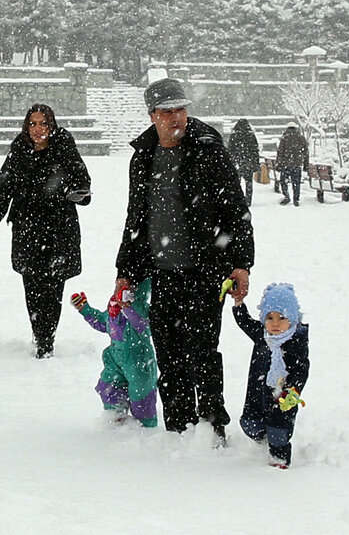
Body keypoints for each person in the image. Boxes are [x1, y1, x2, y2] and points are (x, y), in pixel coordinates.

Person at [115, 78, 254, 439]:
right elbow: (136, 219)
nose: (175, 118)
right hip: (163, 274)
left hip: (206, 273)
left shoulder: (209, 149)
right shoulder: (143, 156)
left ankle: (211, 427)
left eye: (180, 109)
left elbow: (235, 211)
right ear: (152, 116)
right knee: (170, 355)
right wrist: (125, 272)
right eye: (166, 112)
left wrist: (241, 263)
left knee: (204, 353)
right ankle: (178, 426)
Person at [0, 103, 92, 358]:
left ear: (51, 125)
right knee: (32, 284)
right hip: (26, 228)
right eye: (33, 124)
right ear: (26, 126)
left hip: (59, 229)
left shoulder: (64, 147)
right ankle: (38, 331)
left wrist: (77, 194)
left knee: (54, 286)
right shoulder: (19, 150)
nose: (38, 129)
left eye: (43, 123)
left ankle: (47, 339)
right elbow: (3, 189)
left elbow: (83, 181)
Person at [231, 282, 310, 468]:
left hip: (283, 397)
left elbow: (301, 369)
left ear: (291, 318)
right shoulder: (262, 335)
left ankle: (279, 457)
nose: (275, 323)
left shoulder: (296, 341)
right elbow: (244, 322)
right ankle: (263, 439)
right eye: (270, 317)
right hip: (257, 392)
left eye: (281, 317)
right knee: (249, 422)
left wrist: (293, 390)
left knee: (279, 428)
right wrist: (238, 302)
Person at [69, 277, 158, 428]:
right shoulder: (113, 310)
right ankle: (115, 417)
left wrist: (128, 304)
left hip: (138, 358)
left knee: (141, 394)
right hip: (115, 357)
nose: (119, 289)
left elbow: (140, 320)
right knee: (109, 385)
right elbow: (102, 322)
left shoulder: (140, 311)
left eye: (126, 288)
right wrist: (85, 309)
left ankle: (145, 427)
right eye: (117, 287)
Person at [227, 118, 261, 206]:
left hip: (237, 162)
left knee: (236, 182)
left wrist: (231, 162)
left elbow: (230, 150)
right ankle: (248, 200)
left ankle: (237, 199)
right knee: (249, 182)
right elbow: (255, 150)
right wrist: (256, 163)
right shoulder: (251, 135)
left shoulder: (234, 136)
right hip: (248, 162)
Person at [275, 123, 310, 206]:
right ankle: (296, 199)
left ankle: (286, 196)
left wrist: (279, 164)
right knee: (296, 183)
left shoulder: (284, 138)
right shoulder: (301, 138)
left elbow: (280, 152)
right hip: (297, 164)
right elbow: (306, 153)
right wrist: (306, 164)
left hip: (286, 164)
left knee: (284, 181)